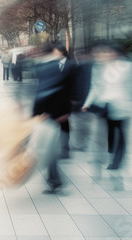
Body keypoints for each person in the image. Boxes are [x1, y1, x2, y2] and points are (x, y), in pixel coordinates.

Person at [82, 43, 132, 170]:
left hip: (122, 105)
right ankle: (112, 156)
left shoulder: (128, 66)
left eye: (109, 53)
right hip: (106, 105)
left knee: (121, 133)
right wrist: (87, 103)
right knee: (110, 132)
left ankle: (117, 160)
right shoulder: (99, 67)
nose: (106, 55)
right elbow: (95, 86)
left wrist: (128, 101)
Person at [32, 45, 73, 193]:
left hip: (49, 115)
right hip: (50, 114)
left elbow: (49, 92)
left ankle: (55, 180)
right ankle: (54, 180)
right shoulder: (52, 66)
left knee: (48, 149)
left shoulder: (49, 67)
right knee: (48, 148)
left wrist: (36, 114)